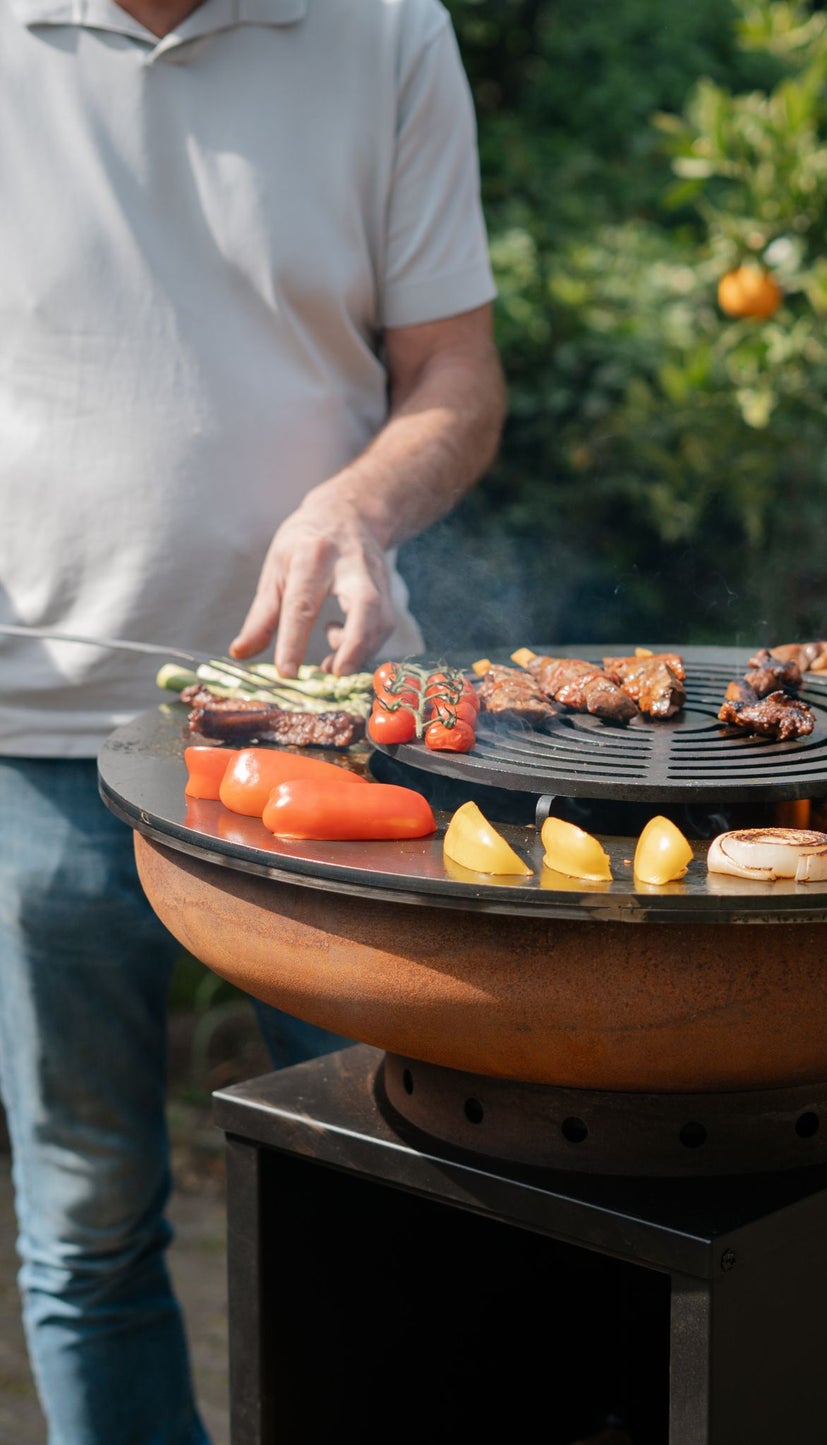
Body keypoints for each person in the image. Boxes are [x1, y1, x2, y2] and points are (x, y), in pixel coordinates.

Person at [0, 0, 506, 1438]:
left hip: (328, 735)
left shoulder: (388, 28)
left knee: (393, 1193)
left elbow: (456, 379)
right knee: (88, 1218)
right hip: (34, 738)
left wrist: (356, 500)